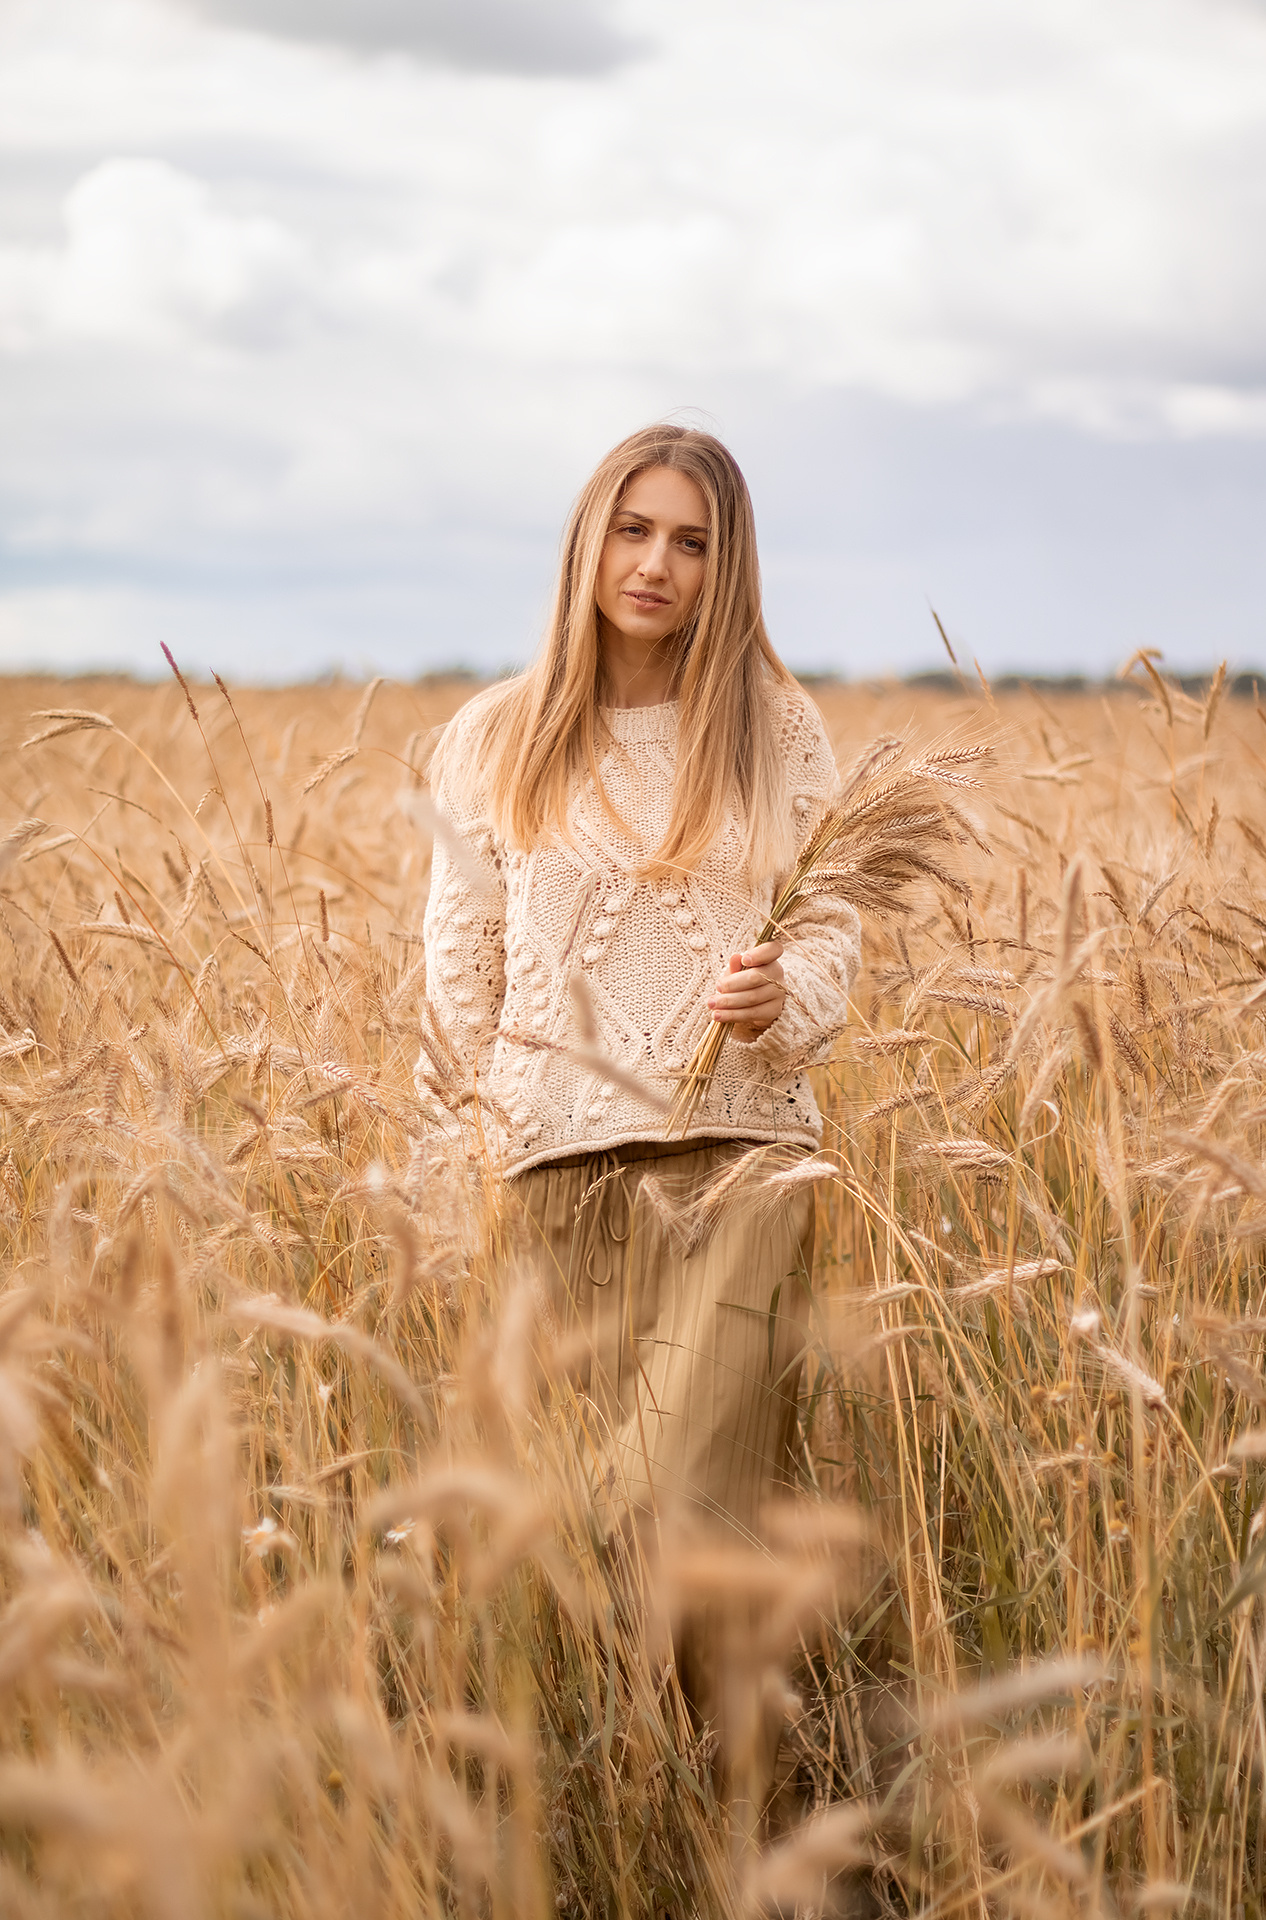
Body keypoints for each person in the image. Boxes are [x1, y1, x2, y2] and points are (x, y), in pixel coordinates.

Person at [416, 422, 860, 1825]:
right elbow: (459, 961)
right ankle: (619, 1811)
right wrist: (473, 1135)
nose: (656, 564)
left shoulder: (777, 727)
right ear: (586, 541)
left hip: (740, 1160)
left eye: (690, 540)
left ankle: (732, 1813)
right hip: (550, 1166)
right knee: (574, 1509)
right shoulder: (495, 733)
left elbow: (835, 927)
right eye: (633, 530)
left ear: (726, 566)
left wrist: (780, 990)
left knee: (692, 1502)